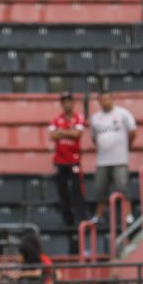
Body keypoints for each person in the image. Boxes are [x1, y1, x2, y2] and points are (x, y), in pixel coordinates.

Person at [89, 91, 136, 225]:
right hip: (102, 161)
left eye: (108, 99)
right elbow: (94, 137)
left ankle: (128, 215)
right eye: (103, 99)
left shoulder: (123, 114)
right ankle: (99, 216)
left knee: (123, 187)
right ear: (99, 101)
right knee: (100, 189)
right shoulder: (95, 118)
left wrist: (126, 146)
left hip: (120, 159)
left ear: (112, 99)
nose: (106, 102)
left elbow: (132, 132)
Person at [50, 91, 87, 228]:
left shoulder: (79, 117)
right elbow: (51, 136)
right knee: (62, 191)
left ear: (73, 103)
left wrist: (60, 132)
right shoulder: (56, 119)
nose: (67, 104)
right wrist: (68, 132)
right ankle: (67, 220)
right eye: (65, 101)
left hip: (74, 160)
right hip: (60, 161)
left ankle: (81, 219)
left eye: (69, 101)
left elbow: (77, 134)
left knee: (77, 190)